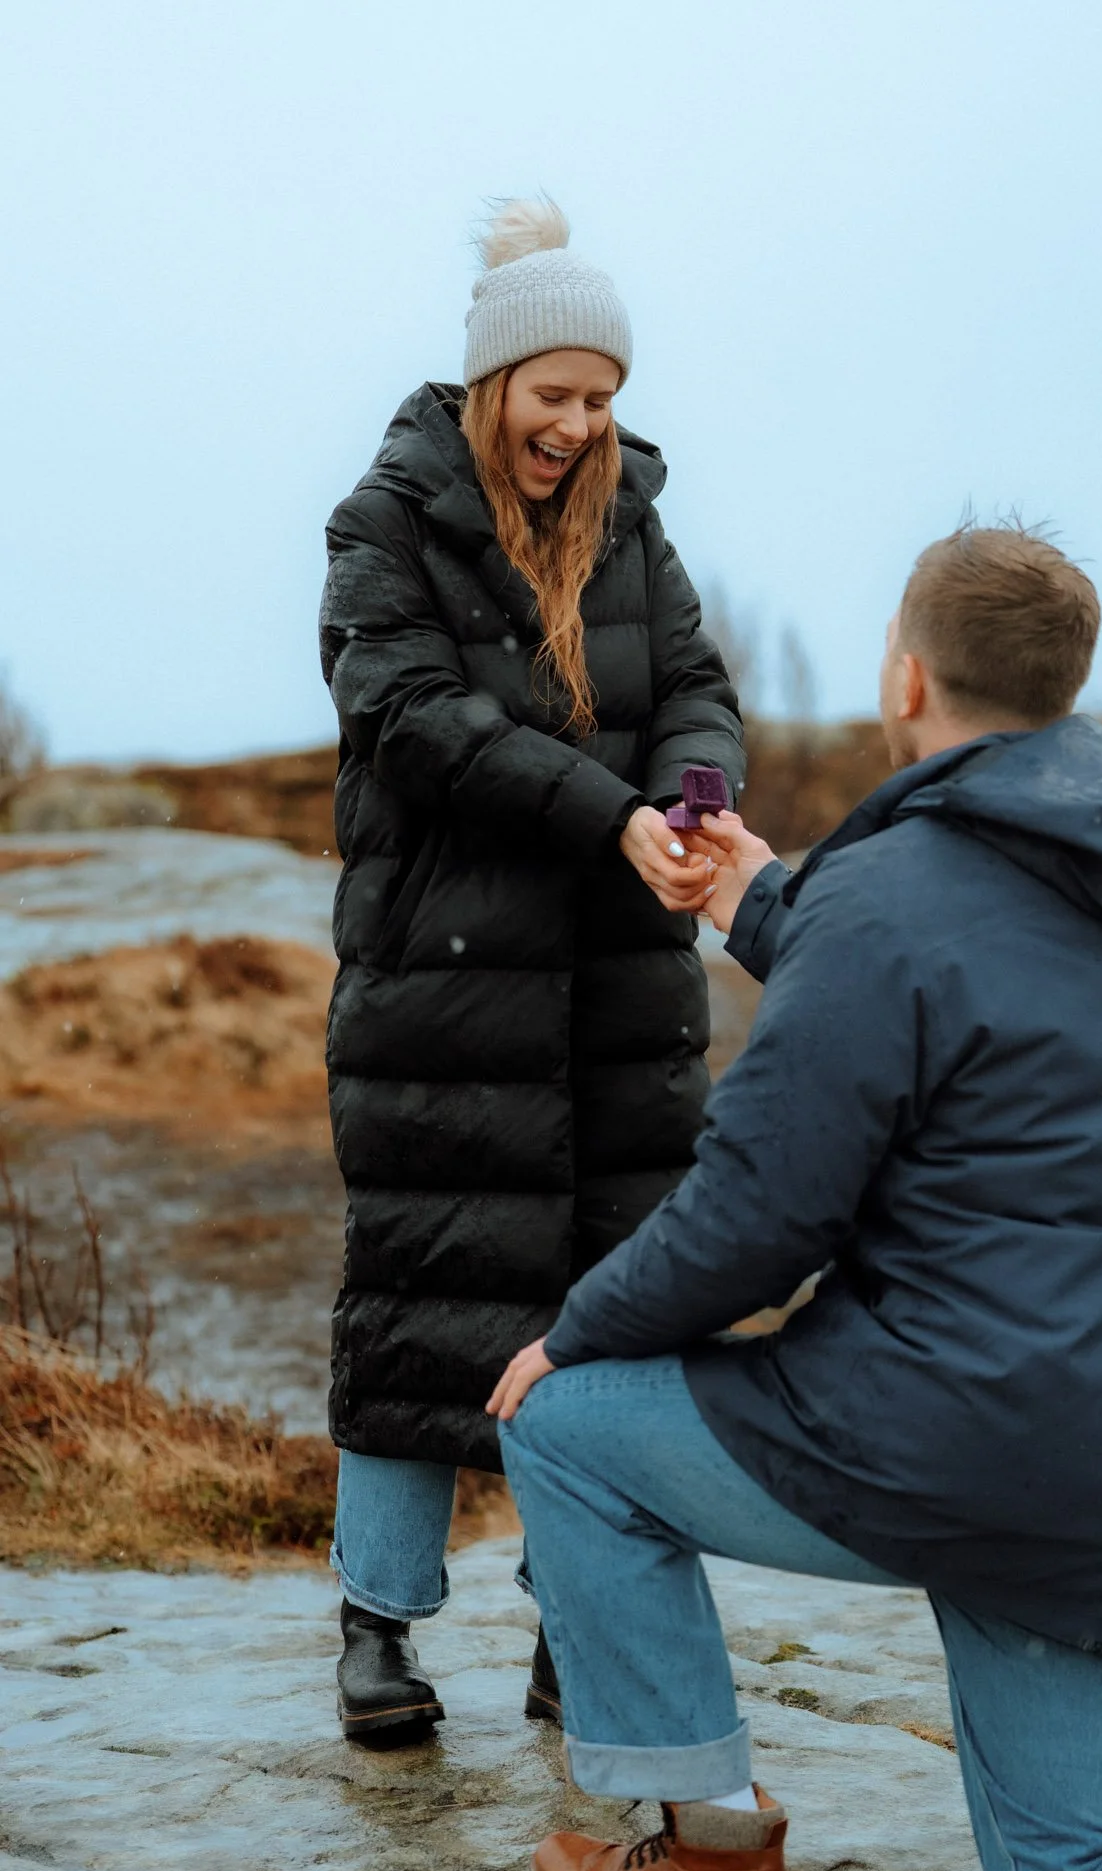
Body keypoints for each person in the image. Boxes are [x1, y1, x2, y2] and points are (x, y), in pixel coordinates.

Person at [487, 524, 1102, 1871]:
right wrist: (771, 904)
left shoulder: (888, 900)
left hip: (940, 1438)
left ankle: (707, 1864)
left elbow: (753, 1221)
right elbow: (970, 986)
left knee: (566, 1432)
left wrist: (567, 1337)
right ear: (1065, 686)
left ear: (904, 675)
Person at [319, 198, 743, 1741]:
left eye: (602, 399)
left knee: (607, 1313)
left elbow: (693, 681)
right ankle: (379, 1623)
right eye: (556, 396)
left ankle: (582, 1623)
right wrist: (613, 813)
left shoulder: (632, 521)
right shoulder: (382, 524)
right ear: (493, 385)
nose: (580, 427)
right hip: (442, 987)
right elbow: (419, 723)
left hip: (621, 994)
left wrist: (694, 793)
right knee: (421, 1297)